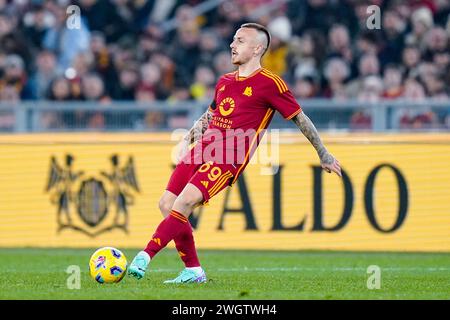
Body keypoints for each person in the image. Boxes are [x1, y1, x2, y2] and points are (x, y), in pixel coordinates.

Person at [127, 23, 342, 284]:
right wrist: (188, 138)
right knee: (166, 204)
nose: (232, 45)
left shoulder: (271, 83)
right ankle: (194, 271)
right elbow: (211, 115)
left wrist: (324, 153)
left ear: (257, 49)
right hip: (202, 149)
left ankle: (145, 256)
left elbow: (301, 119)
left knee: (183, 204)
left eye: (240, 41)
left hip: (228, 158)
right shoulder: (225, 81)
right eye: (233, 39)